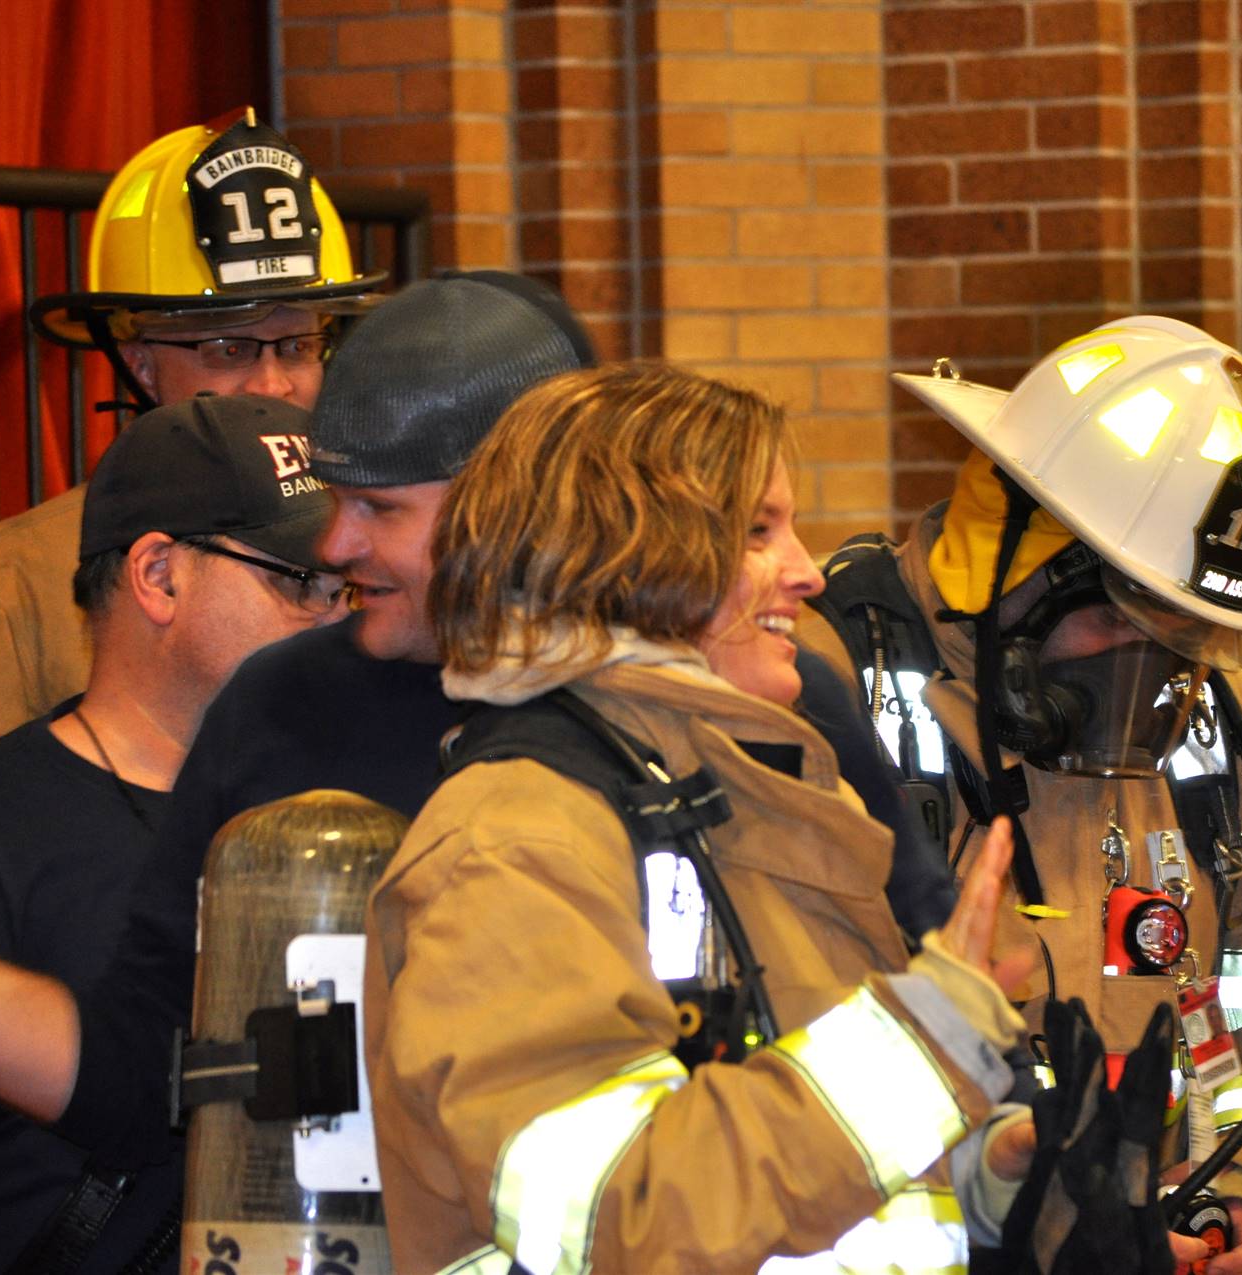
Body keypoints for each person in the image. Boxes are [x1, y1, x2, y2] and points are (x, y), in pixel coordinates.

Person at [0, 273, 950, 1193]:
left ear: (513, 504)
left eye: (377, 508)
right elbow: (145, 1073)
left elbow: (922, 993)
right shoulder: (282, 707)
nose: (335, 544)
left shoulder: (767, 701)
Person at [366, 361, 1028, 1272]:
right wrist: (926, 1049)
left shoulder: (740, 791)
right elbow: (617, 1220)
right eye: (758, 533)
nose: (804, 572)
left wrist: (984, 1178)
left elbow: (796, 1161)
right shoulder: (518, 838)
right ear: (625, 556)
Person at [799, 316, 1242, 1272]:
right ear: (1023, 572)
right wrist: (1029, 1224)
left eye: (1194, 641)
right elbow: (782, 1078)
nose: (1166, 679)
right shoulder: (826, 701)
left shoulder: (1223, 726)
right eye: (1132, 625)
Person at [0, 393, 345, 1271]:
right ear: (159, 575)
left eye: (350, 585)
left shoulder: (348, 811)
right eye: (299, 582)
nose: (337, 615)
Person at [0, 107, 381, 775]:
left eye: (299, 344)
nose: (275, 384)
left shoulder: (376, 552)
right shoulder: (6, 596)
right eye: (228, 347)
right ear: (139, 363)